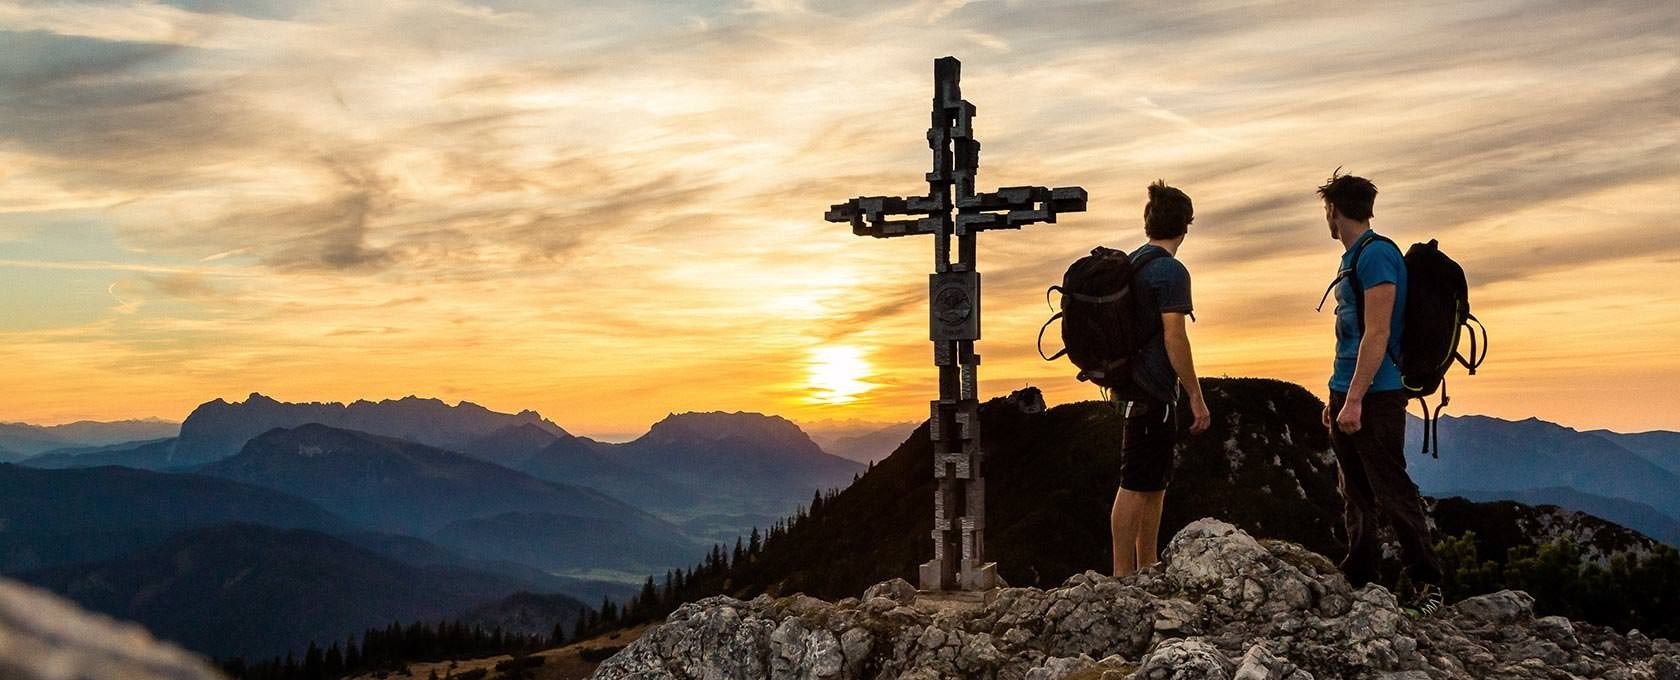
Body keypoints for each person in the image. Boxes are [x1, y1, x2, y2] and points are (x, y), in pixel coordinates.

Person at [1317, 170, 1443, 608]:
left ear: (1334, 211)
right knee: (1354, 488)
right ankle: (1360, 573)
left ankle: (1429, 583)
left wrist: (1353, 400)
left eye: (1326, 210)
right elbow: (1348, 335)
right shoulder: (1353, 256)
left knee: (1391, 487)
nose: (1326, 218)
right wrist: (1335, 396)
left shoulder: (1377, 257)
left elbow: (1376, 333)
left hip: (1378, 393)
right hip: (1349, 389)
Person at [1111, 180, 1212, 578]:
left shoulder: (1133, 262)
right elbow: (1175, 336)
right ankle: (1121, 575)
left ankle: (1147, 564)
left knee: (1153, 481)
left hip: (1134, 386)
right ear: (1186, 225)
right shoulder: (1170, 271)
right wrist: (1196, 396)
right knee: (1135, 481)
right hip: (1152, 388)